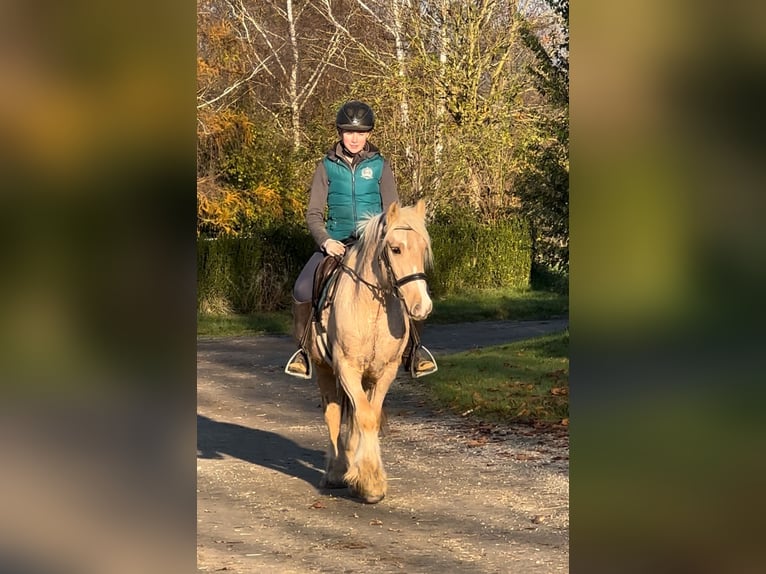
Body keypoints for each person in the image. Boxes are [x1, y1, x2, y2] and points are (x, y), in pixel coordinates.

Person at [285, 100, 437, 379]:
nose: (354, 138)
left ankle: (414, 351)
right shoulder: (326, 167)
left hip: (374, 246)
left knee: (410, 284)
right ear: (340, 133)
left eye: (361, 132)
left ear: (369, 134)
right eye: (348, 132)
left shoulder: (380, 166)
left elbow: (395, 215)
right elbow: (314, 213)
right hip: (337, 243)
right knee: (302, 288)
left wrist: (387, 241)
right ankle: (304, 353)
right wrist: (326, 241)